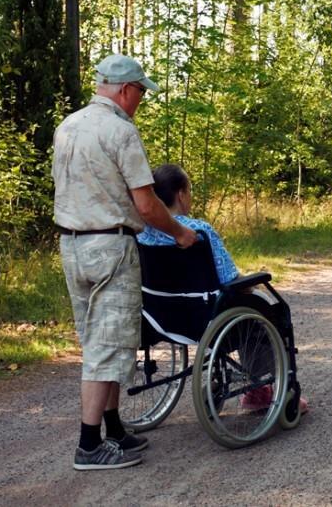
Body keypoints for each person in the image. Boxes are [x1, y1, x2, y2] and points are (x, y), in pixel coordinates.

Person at [52, 55, 197, 471]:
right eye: (140, 94)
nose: (140, 102)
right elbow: (147, 205)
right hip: (110, 247)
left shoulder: (68, 127)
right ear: (125, 90)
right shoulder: (120, 131)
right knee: (107, 345)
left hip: (72, 245)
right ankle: (88, 445)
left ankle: (114, 428)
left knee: (101, 339)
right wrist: (180, 233)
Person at [137, 163, 308, 414]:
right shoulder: (199, 231)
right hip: (204, 317)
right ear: (181, 194)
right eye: (190, 191)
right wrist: (251, 285)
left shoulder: (142, 233)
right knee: (264, 309)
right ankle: (259, 390)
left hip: (161, 317)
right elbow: (230, 279)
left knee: (237, 306)